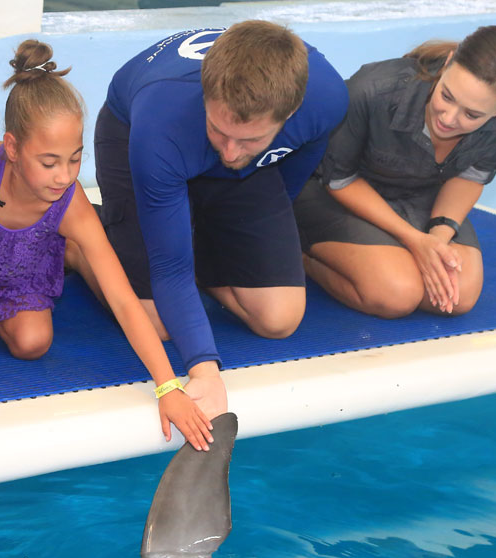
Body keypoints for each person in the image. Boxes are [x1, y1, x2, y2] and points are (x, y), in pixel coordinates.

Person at [0, 40, 215, 451]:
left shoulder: (73, 206)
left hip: (19, 265)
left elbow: (123, 299)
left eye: (75, 159)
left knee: (33, 344)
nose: (64, 176)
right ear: (13, 148)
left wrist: (168, 387)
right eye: (49, 162)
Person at [75, 21, 348, 419]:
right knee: (157, 323)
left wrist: (259, 235)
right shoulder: (161, 122)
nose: (233, 150)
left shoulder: (326, 98)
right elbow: (170, 268)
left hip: (233, 168)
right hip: (140, 136)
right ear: (206, 96)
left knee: (279, 319)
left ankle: (185, 228)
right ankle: (83, 245)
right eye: (219, 130)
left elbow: (291, 175)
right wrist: (204, 370)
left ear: (289, 112)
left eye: (250, 139)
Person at [294, 26, 496, 318]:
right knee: (397, 294)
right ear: (447, 64)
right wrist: (414, 241)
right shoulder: (371, 89)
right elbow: (339, 179)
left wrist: (437, 240)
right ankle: (302, 257)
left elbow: (471, 173)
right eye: (447, 96)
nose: (448, 118)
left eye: (471, 115)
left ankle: (395, 255)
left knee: (458, 297)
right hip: (334, 193)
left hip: (419, 195)